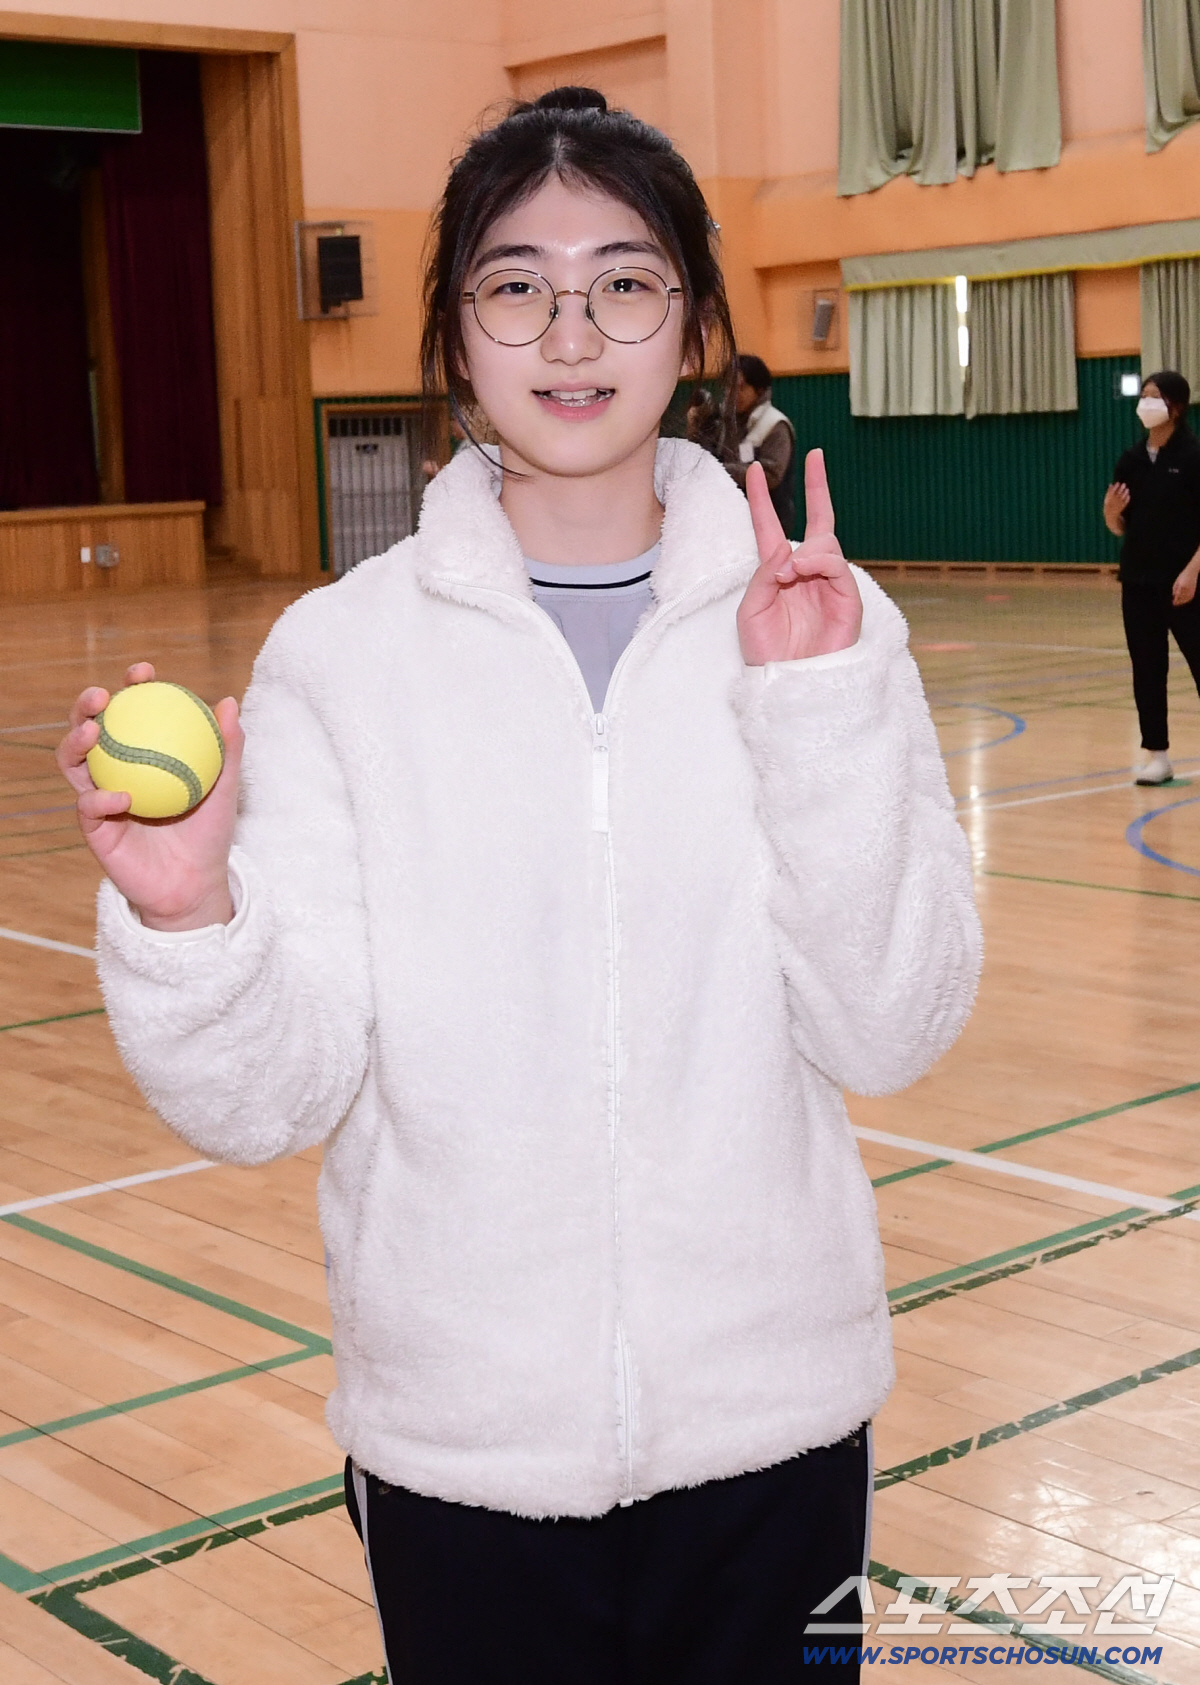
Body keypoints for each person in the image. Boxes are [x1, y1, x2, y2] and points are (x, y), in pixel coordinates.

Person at [57, 87, 980, 1685]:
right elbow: (272, 1096)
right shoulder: (341, 660)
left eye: (625, 280)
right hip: (461, 1455)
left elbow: (892, 1029)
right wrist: (191, 913)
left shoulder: (827, 627)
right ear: (454, 334)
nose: (572, 331)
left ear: (692, 321)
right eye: (515, 283)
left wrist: (815, 712)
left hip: (778, 1437)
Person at [1104, 369, 1200, 785]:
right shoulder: (1131, 459)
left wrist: (1192, 573)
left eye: (1154, 396)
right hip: (1139, 580)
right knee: (1147, 667)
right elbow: (1121, 525)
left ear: (1176, 407)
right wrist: (1110, 514)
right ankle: (1157, 756)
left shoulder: (1194, 456)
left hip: (1187, 581)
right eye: (1143, 395)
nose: (1145, 403)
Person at [717, 352, 797, 535]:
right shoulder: (724, 422)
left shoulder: (776, 425)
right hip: (730, 521)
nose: (732, 394)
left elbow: (770, 476)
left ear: (759, 389)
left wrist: (720, 470)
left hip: (771, 521)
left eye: (740, 388)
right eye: (728, 388)